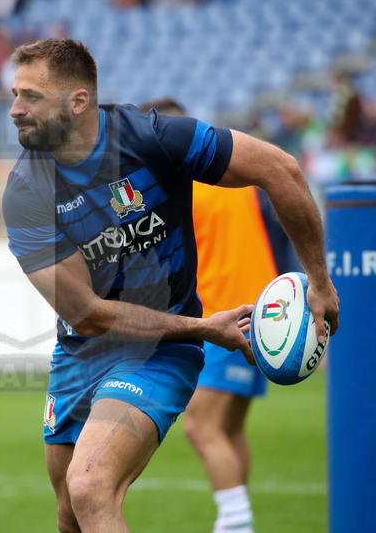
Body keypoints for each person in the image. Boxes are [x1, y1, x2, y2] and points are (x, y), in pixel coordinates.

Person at [1, 39, 339, 533]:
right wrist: (205, 326)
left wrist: (320, 282)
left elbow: (280, 169)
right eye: (14, 94)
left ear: (77, 101)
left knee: (91, 485)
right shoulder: (25, 194)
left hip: (161, 347)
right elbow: (89, 315)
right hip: (80, 351)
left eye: (31, 96)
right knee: (69, 515)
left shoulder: (153, 138)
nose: (14, 110)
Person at [140, 97, 276, 533]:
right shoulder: (229, 176)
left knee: (201, 427)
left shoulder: (177, 183)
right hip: (265, 310)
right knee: (229, 429)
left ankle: (236, 524)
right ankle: (239, 519)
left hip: (226, 315)